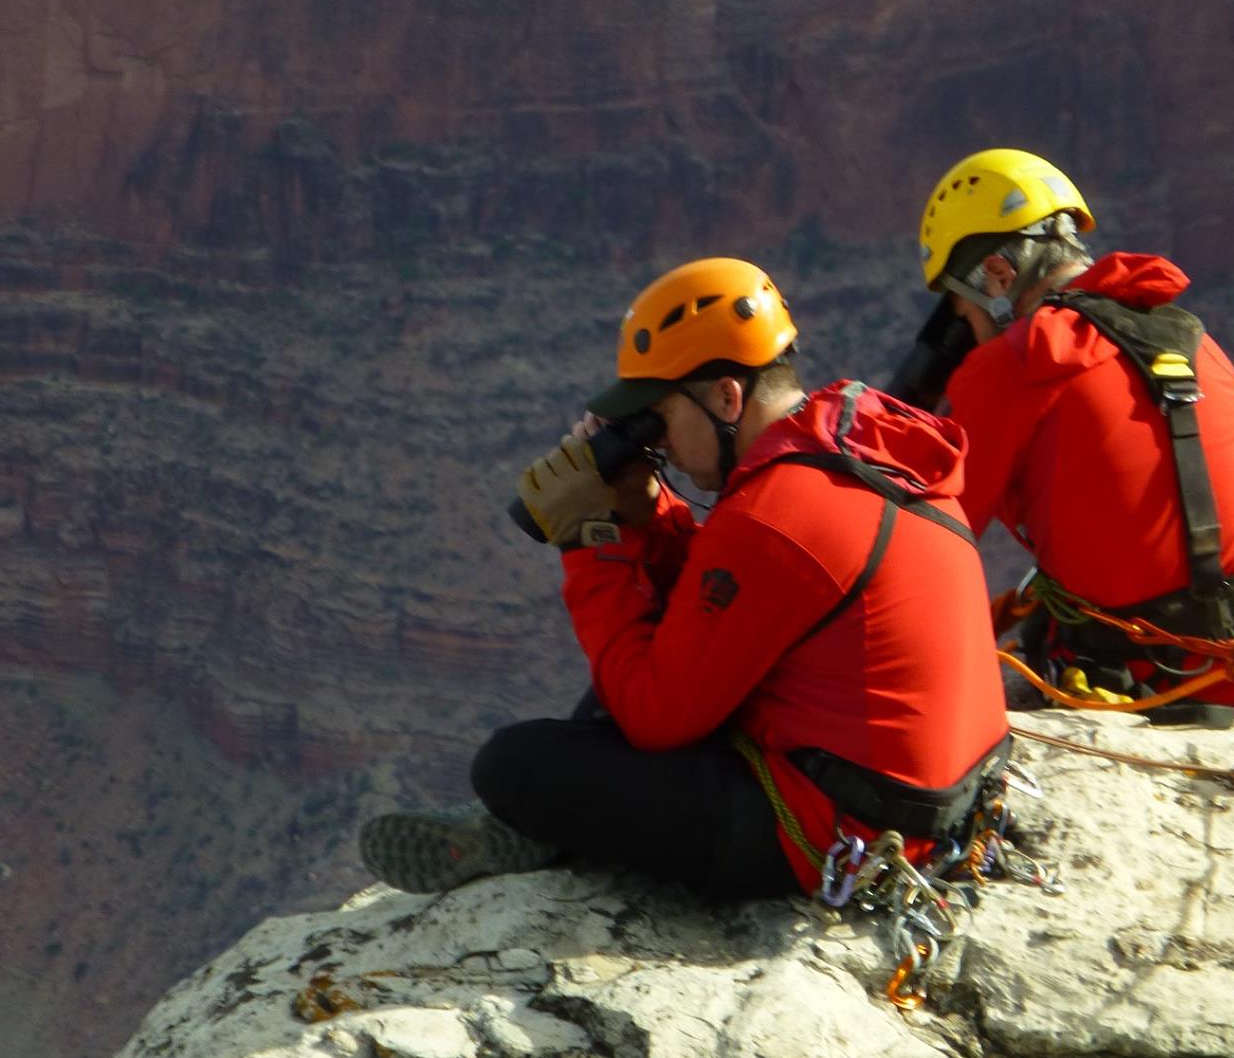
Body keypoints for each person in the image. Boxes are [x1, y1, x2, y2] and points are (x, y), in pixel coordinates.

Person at [360, 257, 1011, 896]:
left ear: (727, 396)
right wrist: (650, 512)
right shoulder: (848, 443)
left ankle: (534, 827)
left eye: (661, 416)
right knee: (624, 694)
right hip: (941, 797)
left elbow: (654, 717)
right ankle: (543, 828)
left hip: (849, 833)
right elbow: (731, 599)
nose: (660, 443)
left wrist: (594, 537)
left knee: (515, 764)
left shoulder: (774, 517)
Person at [907, 147, 1234, 723]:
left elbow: (924, 540)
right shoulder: (1184, 334)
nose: (971, 333)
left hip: (1155, 679)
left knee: (1053, 612)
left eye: (966, 314)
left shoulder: (1012, 365)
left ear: (998, 275)